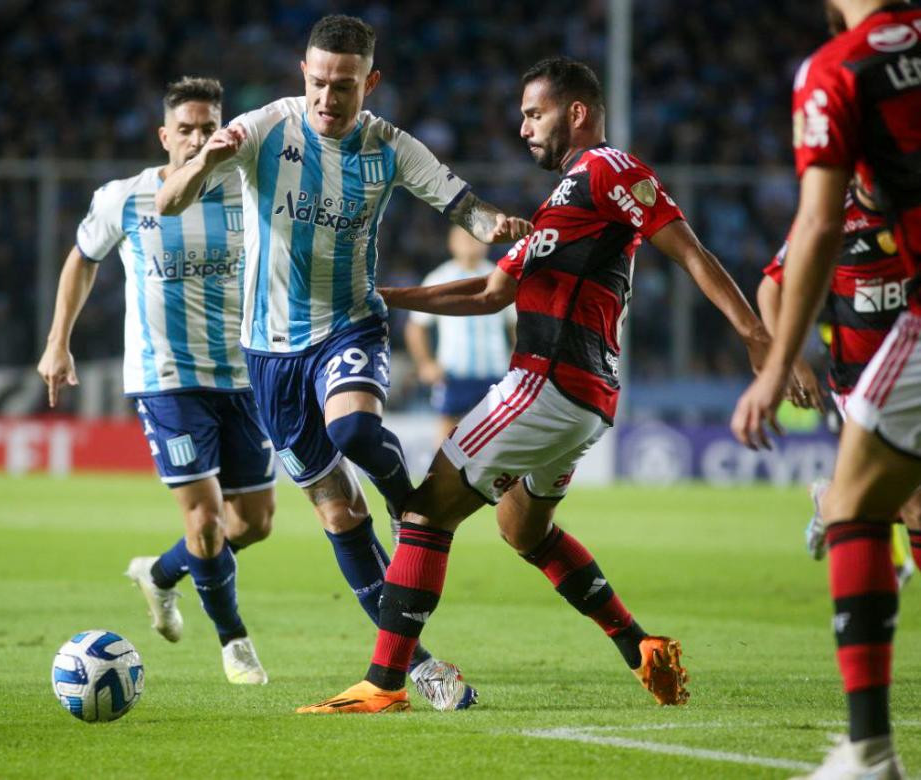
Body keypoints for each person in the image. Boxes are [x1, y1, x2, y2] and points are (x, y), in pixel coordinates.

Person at [299, 56, 775, 714]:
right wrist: (379, 297)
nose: (523, 128)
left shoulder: (610, 169)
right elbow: (491, 291)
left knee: (425, 514)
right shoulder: (561, 203)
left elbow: (688, 249)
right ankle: (641, 647)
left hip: (546, 381)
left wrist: (754, 335)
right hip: (586, 400)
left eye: (534, 113)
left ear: (576, 112)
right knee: (523, 529)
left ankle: (384, 685)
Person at [156, 14, 532, 710]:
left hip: (349, 324)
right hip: (270, 357)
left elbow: (465, 207)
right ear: (304, 75)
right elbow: (168, 200)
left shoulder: (389, 146)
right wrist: (204, 160)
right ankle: (416, 667)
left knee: (356, 432)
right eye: (320, 83)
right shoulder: (264, 129)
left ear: (371, 82)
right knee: (336, 513)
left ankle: (411, 506)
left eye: (346, 86)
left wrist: (497, 226)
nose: (330, 98)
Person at [732, 1, 921, 775]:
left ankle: (869, 753)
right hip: (859, 374)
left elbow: (810, 228)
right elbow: (782, 270)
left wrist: (774, 371)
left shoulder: (840, 67)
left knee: (851, 509)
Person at [37, 77, 274, 685]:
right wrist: (58, 340)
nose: (198, 138)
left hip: (244, 377)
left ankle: (161, 574)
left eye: (209, 126)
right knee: (206, 520)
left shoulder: (248, 192)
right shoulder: (127, 197)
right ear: (165, 136)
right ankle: (235, 642)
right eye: (187, 129)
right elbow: (81, 258)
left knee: (254, 524)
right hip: (166, 378)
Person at [757, 181, 917, 589]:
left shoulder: (909, 201)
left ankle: (832, 501)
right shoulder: (829, 214)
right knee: (913, 502)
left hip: (914, 371)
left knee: (896, 501)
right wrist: (791, 361)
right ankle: (836, 504)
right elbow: (770, 289)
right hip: (859, 384)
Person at [406, 226, 516, 442]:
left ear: (486, 243)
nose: (470, 242)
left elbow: (517, 325)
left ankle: (502, 477)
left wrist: (517, 360)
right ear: (451, 244)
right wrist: (425, 363)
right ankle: (440, 476)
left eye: (476, 238)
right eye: (464, 238)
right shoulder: (440, 278)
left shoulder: (499, 277)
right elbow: (416, 325)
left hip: (496, 373)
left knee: (503, 435)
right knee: (448, 431)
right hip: (453, 373)